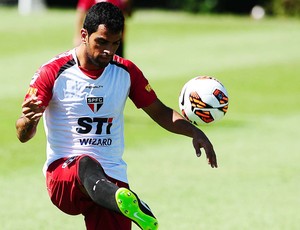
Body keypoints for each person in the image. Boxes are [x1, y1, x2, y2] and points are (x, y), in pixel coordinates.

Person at [15, 2, 217, 230]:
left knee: (111, 191)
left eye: (115, 43)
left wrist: (194, 131)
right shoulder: (53, 72)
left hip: (112, 182)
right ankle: (127, 201)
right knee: (86, 163)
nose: (108, 51)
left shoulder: (126, 72)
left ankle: (123, 202)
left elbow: (160, 112)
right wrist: (29, 121)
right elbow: (23, 134)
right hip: (64, 175)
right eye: (101, 42)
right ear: (84, 35)